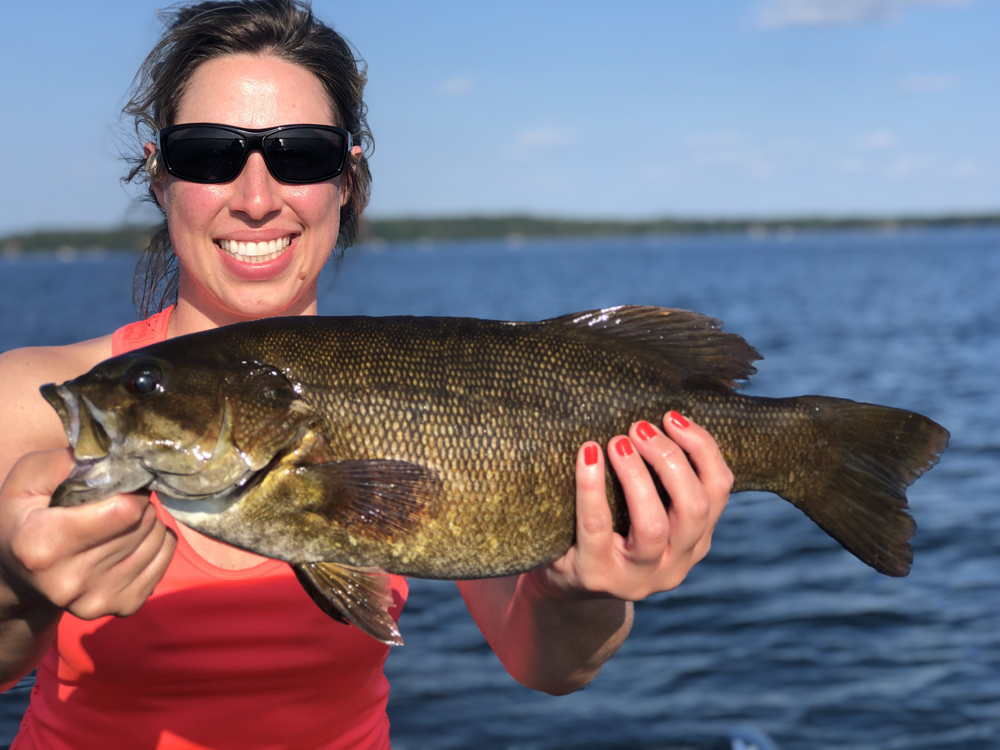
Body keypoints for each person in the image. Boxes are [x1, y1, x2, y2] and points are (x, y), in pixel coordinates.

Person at [0, 1, 733, 747]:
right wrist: (16, 589)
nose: (257, 198)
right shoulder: (25, 403)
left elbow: (546, 664)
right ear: (160, 179)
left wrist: (581, 590)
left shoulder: (433, 390)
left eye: (302, 155)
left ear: (346, 183)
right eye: (210, 154)